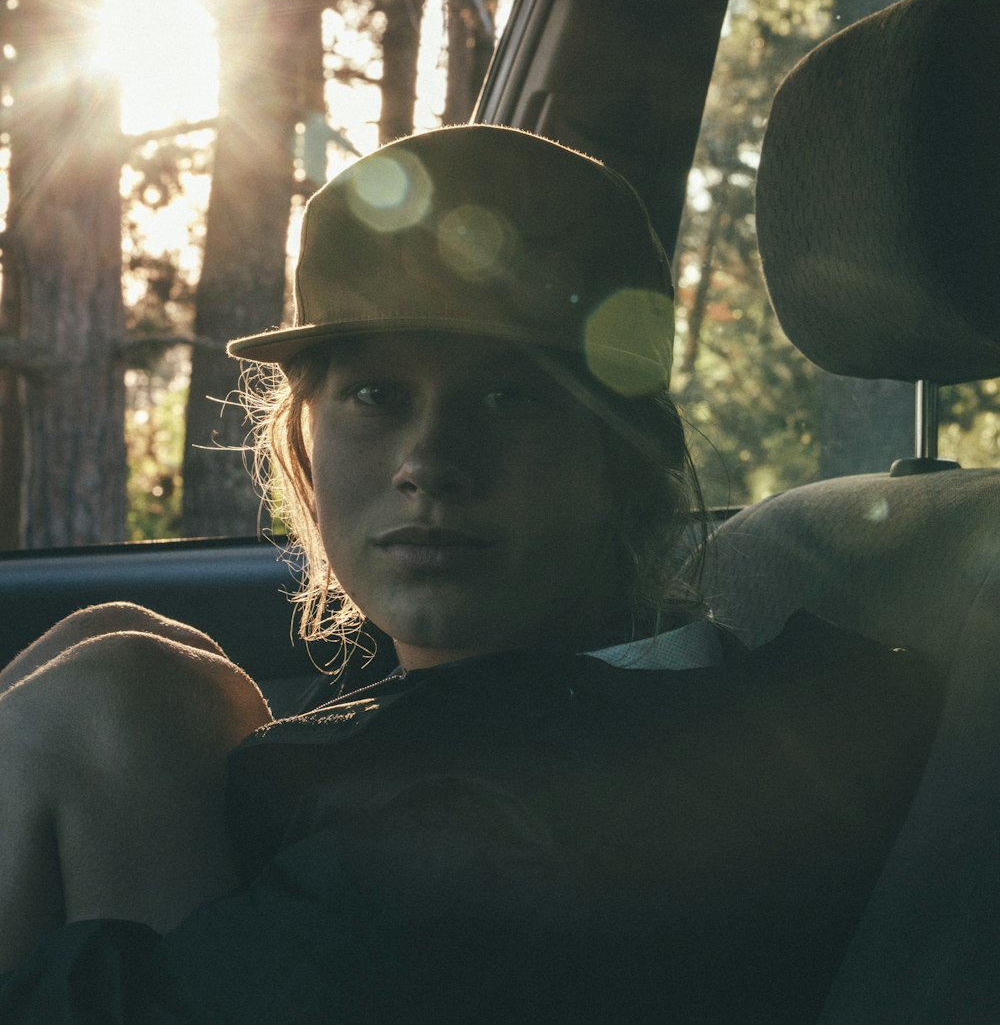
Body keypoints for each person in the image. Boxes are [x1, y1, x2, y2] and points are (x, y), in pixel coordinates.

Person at [0, 126, 939, 1024]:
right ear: (307, 439)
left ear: (623, 452)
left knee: (115, 695)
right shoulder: (584, 712)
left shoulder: (510, 840)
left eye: (510, 395)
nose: (431, 459)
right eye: (378, 395)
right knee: (132, 669)